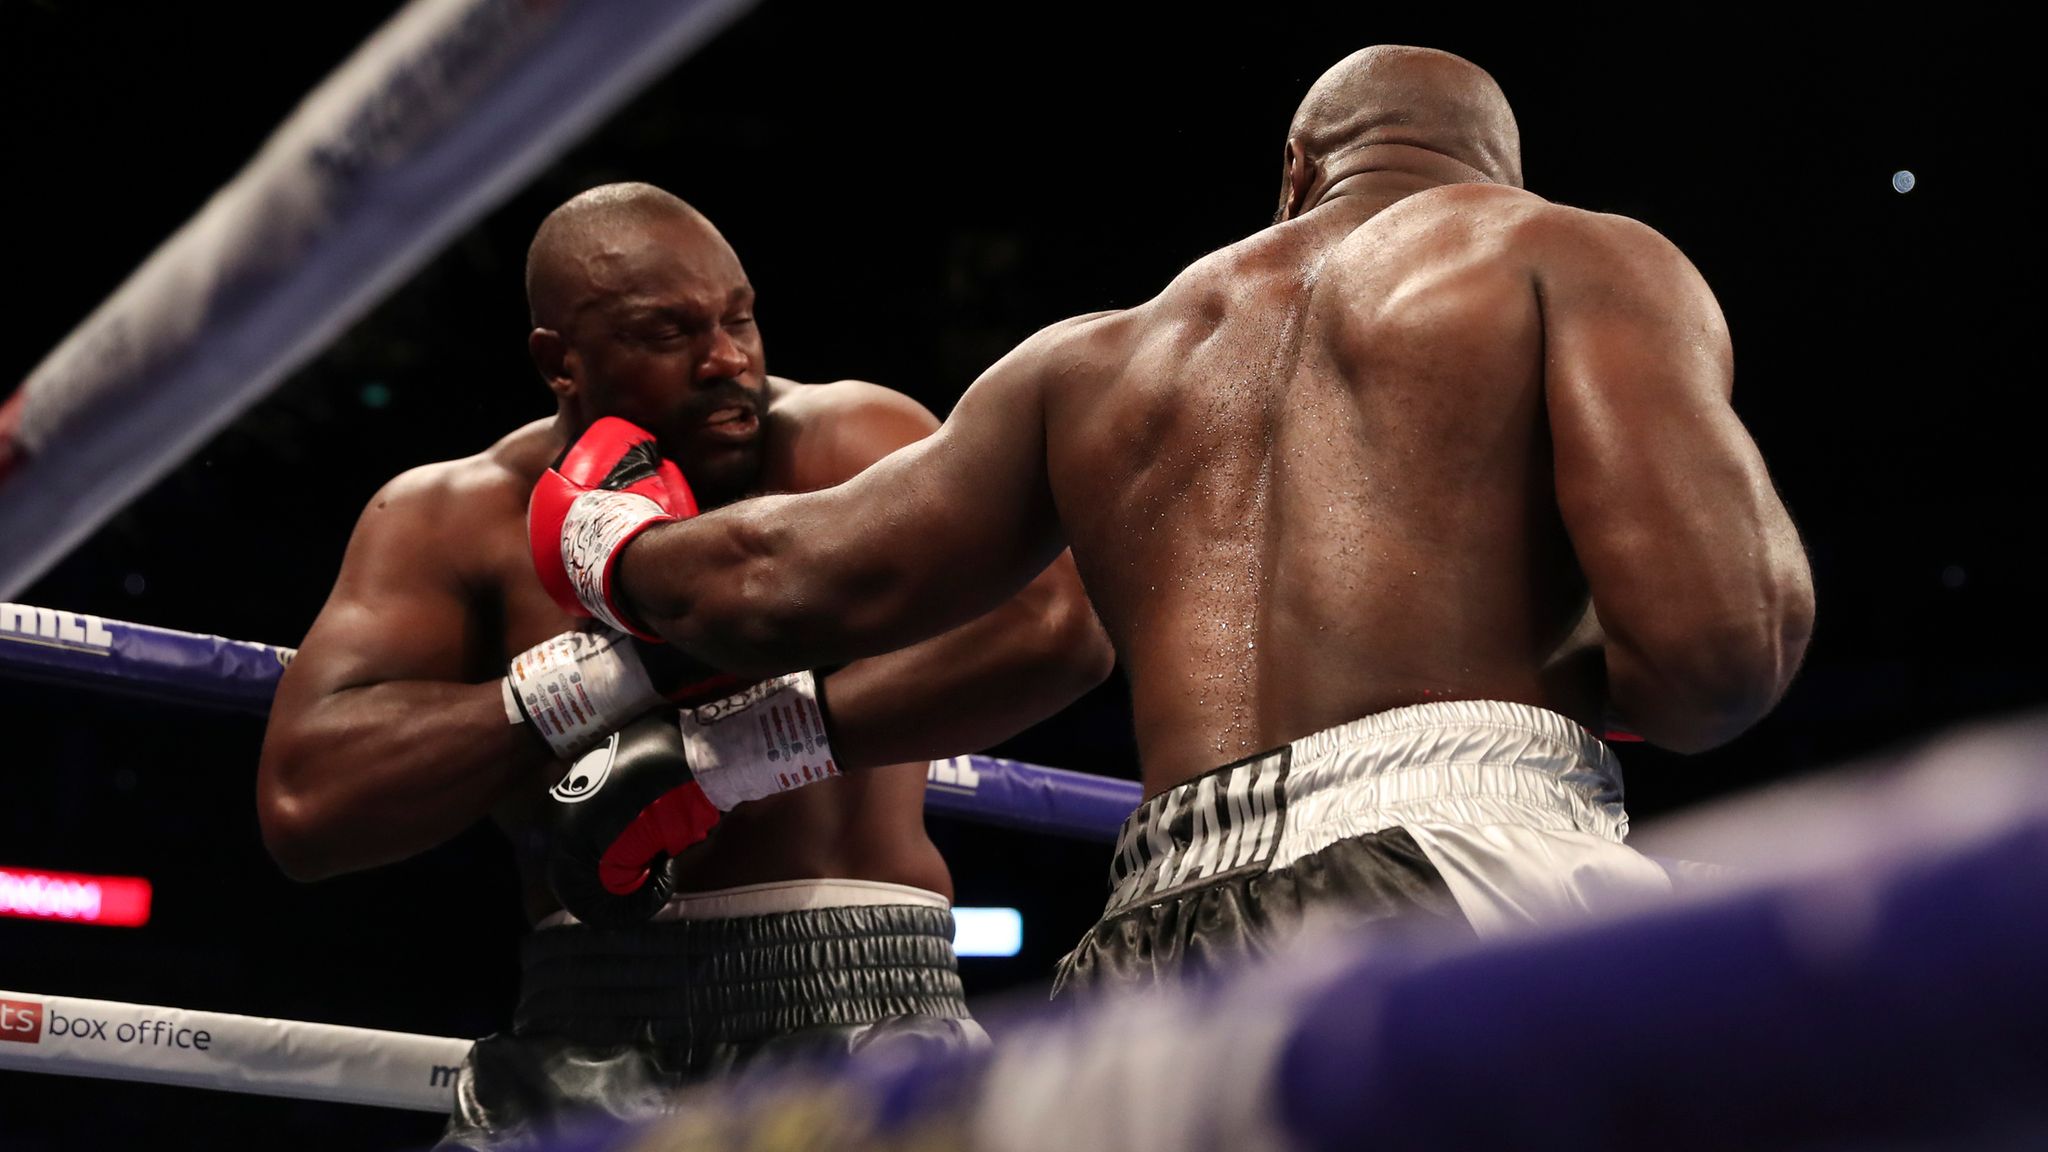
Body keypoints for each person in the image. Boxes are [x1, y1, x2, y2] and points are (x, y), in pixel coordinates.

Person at [530, 47, 1816, 997]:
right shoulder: (1568, 252)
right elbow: (1720, 659)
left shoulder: (1085, 363)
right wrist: (1547, 654)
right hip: (1466, 874)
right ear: (1498, 175)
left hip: (1150, 937)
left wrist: (603, 532)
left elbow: (766, 579)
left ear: (1294, 173)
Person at [256, 183, 1113, 1147]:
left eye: (740, 318)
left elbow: (1057, 629)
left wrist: (726, 754)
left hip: (858, 988)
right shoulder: (449, 517)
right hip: (583, 1009)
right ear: (560, 362)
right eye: (668, 332)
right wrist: (628, 663)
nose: (726, 360)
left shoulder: (846, 448)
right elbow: (307, 803)